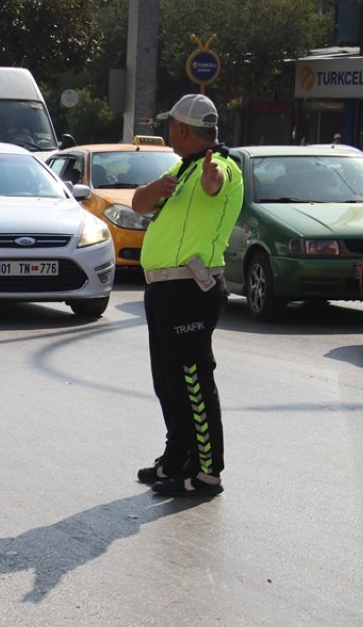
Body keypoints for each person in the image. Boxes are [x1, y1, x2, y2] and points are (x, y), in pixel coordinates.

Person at [130, 94, 243, 497]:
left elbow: (218, 186)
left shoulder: (220, 167)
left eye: (169, 126)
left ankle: (208, 472)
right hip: (163, 288)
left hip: (190, 289)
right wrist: (156, 188)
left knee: (193, 380)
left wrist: (212, 183)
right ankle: (176, 458)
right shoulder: (180, 168)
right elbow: (140, 204)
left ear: (180, 129)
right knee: (168, 382)